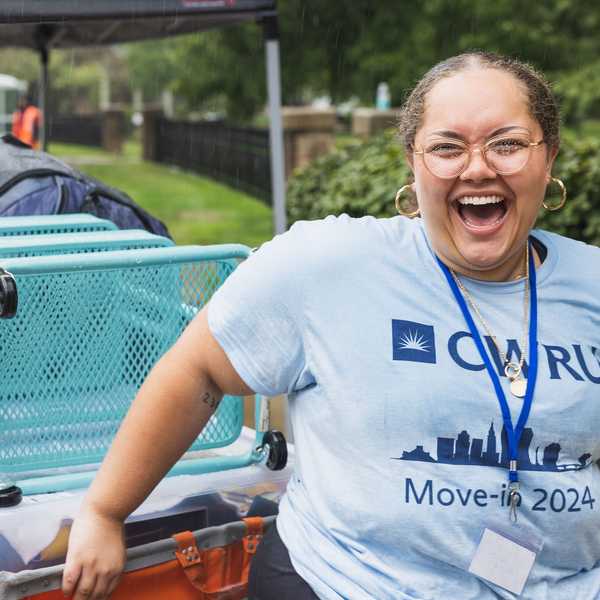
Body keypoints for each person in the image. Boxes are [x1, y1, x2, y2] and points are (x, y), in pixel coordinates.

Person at [62, 51, 600, 600]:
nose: (478, 167)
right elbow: (198, 367)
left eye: (507, 143)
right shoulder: (328, 266)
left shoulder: (593, 284)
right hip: (351, 585)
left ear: (548, 156)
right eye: (446, 147)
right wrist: (105, 512)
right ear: (413, 165)